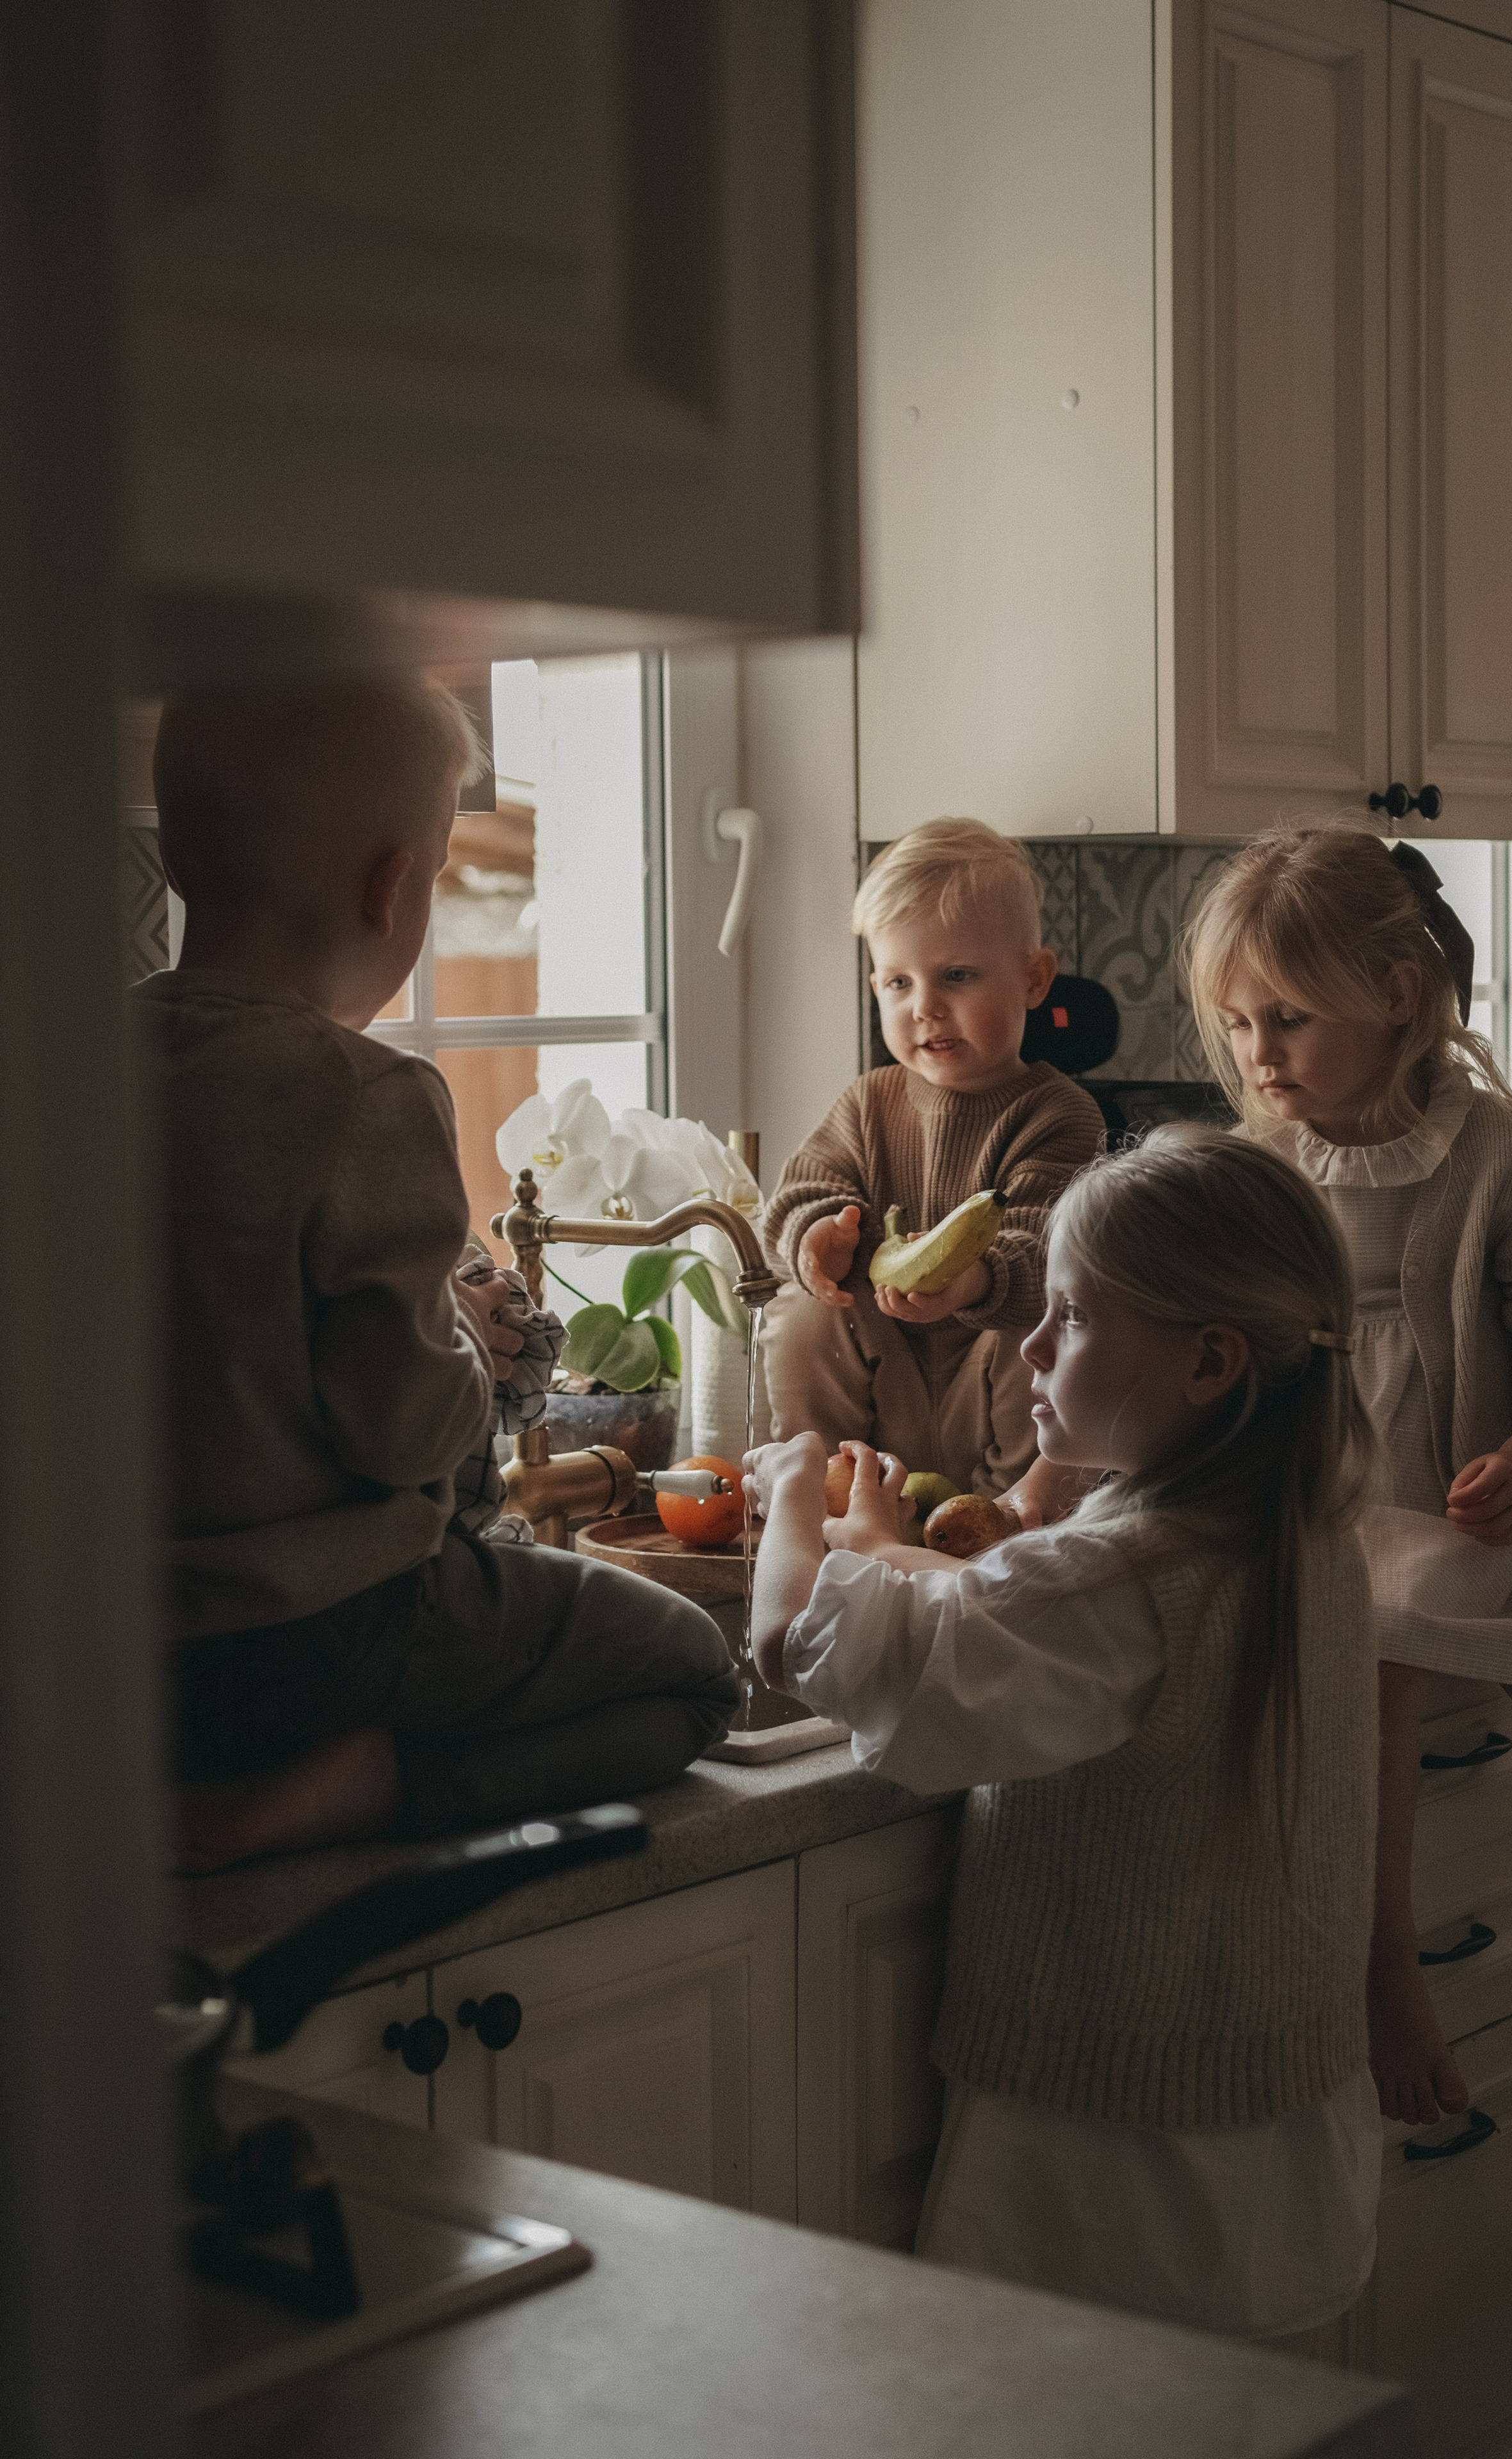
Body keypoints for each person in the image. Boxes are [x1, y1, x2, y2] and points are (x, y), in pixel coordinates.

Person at [746, 1130, 1381, 2345]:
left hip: (1108, 2170)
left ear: (1209, 1363)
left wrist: (792, 1489)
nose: (1030, 1345)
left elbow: (799, 1647)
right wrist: (885, 1546)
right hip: (1282, 2133)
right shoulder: (1306, 1532)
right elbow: (1010, 1609)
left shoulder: (1118, 1585)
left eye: (1074, 1319)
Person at [138, 678, 735, 1872]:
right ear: (392, 888)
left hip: (126, 1659)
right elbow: (403, 1435)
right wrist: (467, 1342)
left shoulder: (68, 1064)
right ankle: (352, 1791)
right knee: (692, 1675)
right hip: (329, 1634)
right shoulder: (366, 1095)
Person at [1185, 825, 1512, 2129]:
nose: (1259, 1053)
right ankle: (1385, 1972)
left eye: (1287, 1017)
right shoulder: (1259, 1168)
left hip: (1497, 1529)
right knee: (1365, 1677)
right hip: (1345, 1536)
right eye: (1238, 1023)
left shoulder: (1505, 1156)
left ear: (1393, 996)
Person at [760, 819, 1105, 1497]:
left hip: (998, 1398)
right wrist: (815, 1238)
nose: (926, 1007)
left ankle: (1004, 1521)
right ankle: (827, 1493)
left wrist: (974, 1283)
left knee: (1046, 1321)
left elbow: (1046, 1246)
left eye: (956, 976)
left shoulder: (1059, 1114)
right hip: (883, 1380)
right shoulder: (868, 1103)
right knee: (801, 1312)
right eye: (898, 983)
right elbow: (798, 1194)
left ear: (1034, 980)